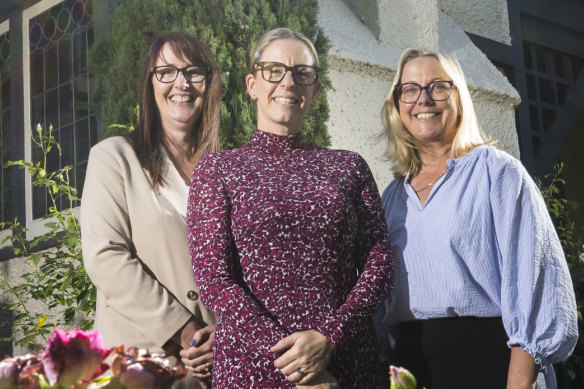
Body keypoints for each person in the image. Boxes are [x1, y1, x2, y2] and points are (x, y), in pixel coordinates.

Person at [186, 27, 394, 388]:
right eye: (274, 71)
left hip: (345, 363)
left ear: (314, 90)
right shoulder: (218, 171)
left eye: (302, 73)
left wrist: (330, 338)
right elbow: (215, 281)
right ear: (252, 84)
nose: (288, 82)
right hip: (254, 368)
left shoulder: (349, 167)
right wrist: (297, 365)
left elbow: (380, 263)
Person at [377, 48, 578, 389]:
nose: (423, 99)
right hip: (412, 372)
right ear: (397, 104)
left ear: (459, 98)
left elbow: (536, 288)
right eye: (409, 89)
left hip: (492, 367)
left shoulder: (497, 173)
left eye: (438, 87)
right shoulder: (391, 198)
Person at [80, 32, 221, 387]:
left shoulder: (226, 171)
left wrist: (227, 333)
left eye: (193, 72)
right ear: (150, 83)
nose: (182, 83)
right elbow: (106, 258)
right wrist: (187, 330)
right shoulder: (114, 158)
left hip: (213, 372)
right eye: (167, 72)